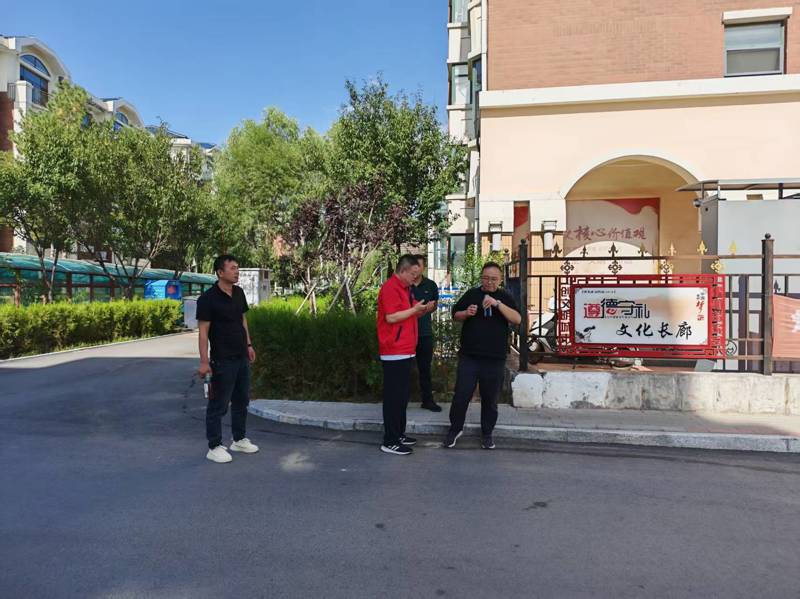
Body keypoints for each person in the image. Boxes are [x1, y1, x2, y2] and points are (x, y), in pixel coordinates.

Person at [443, 262, 521, 450]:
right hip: (470, 356)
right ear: (481, 278)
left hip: (494, 358)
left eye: (493, 279)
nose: (489, 282)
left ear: (500, 280)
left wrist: (497, 304)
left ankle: (487, 433)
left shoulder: (505, 296)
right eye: (486, 278)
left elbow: (517, 319)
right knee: (461, 395)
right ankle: (455, 429)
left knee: (490, 399)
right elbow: (455, 315)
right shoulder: (472, 294)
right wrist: (466, 313)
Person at [197, 254, 259, 463]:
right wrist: (204, 362)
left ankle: (239, 439)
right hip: (222, 359)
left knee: (241, 400)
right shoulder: (207, 299)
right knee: (219, 404)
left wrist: (248, 345)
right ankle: (214, 446)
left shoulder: (239, 293)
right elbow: (203, 333)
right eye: (232, 268)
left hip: (241, 356)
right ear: (220, 272)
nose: (237, 271)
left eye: (237, 268)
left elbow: (243, 320)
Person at [377, 254, 429, 455]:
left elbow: (409, 312)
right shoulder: (390, 288)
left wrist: (421, 309)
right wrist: (414, 310)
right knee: (393, 398)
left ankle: (398, 434)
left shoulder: (406, 289)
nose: (415, 278)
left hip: (405, 350)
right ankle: (390, 440)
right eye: (413, 274)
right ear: (403, 270)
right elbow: (391, 317)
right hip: (394, 350)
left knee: (402, 397)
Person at [411, 254, 441, 412]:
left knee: (425, 368)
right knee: (404, 369)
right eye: (413, 265)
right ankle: (402, 400)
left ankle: (427, 400)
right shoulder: (404, 285)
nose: (415, 269)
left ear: (423, 268)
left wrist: (431, 307)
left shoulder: (431, 285)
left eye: (419, 265)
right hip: (407, 334)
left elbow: (434, 305)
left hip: (424, 333)